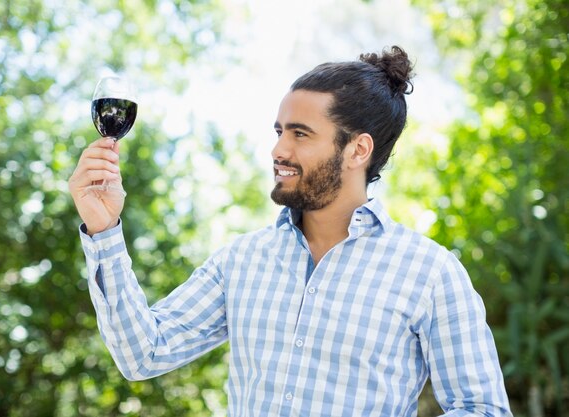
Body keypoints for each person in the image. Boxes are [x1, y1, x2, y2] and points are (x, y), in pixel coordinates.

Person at [68, 46, 513, 416]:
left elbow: (482, 408)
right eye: (280, 131)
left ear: (358, 149)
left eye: (300, 134)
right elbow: (142, 353)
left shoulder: (430, 273)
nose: (278, 149)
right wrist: (104, 229)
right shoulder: (241, 260)